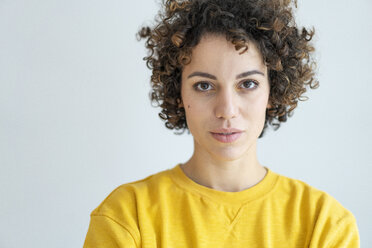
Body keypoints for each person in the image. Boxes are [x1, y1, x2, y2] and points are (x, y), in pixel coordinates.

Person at [83, 0, 360, 247]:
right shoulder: (127, 216)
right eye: (204, 85)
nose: (227, 110)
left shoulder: (323, 224)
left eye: (248, 84)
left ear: (272, 91)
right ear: (178, 93)